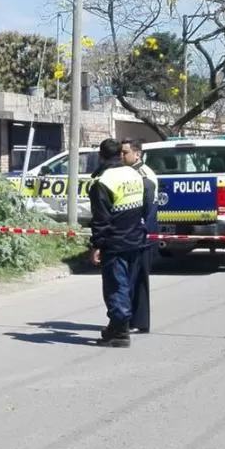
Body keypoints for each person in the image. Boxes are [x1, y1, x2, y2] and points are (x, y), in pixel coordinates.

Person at [88, 138, 147, 348]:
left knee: (115, 286)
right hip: (135, 238)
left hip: (115, 242)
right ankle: (115, 327)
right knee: (125, 284)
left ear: (101, 155)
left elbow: (101, 219)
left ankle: (120, 332)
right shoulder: (134, 174)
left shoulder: (102, 182)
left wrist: (97, 245)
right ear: (120, 154)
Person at [121, 138, 158, 334]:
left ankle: (137, 321)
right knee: (131, 277)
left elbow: (148, 206)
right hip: (134, 233)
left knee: (137, 278)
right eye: (120, 152)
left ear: (137, 154)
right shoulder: (128, 172)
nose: (121, 155)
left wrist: (139, 228)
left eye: (125, 152)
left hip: (142, 233)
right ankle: (133, 320)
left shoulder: (144, 175)